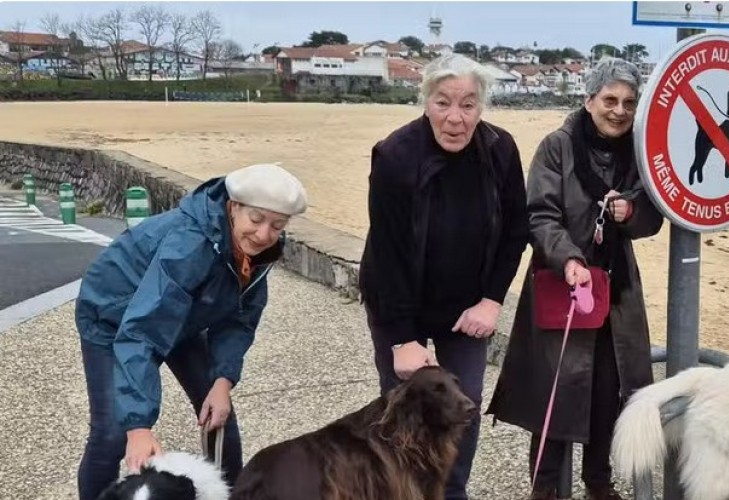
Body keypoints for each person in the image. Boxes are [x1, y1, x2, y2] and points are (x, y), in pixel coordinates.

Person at [74, 163, 308, 500]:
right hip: (113, 313)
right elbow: (143, 329)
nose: (263, 234)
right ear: (233, 205)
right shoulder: (190, 243)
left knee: (218, 415)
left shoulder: (262, 250)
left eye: (277, 225)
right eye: (256, 220)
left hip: (182, 318)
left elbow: (238, 318)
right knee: (113, 433)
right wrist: (139, 427)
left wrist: (223, 381)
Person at [486, 57, 664, 500]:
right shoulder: (557, 146)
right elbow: (540, 213)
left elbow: (654, 217)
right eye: (610, 100)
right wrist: (567, 257)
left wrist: (631, 213)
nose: (619, 110)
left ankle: (597, 482)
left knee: (609, 388)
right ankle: (544, 489)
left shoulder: (640, 152)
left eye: (628, 102)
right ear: (589, 100)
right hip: (561, 285)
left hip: (615, 291)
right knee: (553, 391)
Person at [357, 53, 529, 500]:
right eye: (443, 103)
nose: (455, 118)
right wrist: (401, 339)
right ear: (426, 102)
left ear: (482, 106)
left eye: (468, 104)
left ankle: (451, 492)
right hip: (399, 302)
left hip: (466, 305)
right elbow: (387, 250)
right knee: (403, 410)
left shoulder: (500, 149)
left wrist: (492, 300)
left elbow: (515, 231)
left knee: (463, 403)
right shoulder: (394, 155)